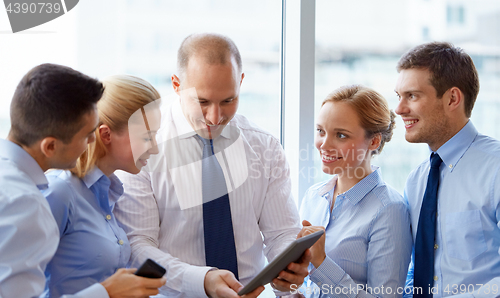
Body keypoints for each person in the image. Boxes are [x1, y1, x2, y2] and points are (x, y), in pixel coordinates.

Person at [113, 33, 310, 298]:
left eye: (228, 100)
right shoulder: (144, 148)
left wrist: (289, 270)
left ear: (240, 83)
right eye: (202, 101)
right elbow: (137, 245)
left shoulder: (265, 147)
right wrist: (202, 281)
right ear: (176, 85)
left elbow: (281, 233)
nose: (215, 117)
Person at [41, 75, 166, 298]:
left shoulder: (109, 195)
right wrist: (106, 293)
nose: (154, 148)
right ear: (106, 135)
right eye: (148, 137)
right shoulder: (59, 192)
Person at [394, 42, 500, 298]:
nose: (399, 109)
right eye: (399, 96)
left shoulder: (495, 169)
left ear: (452, 98)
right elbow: (418, 270)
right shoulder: (416, 181)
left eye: (413, 96)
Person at [296, 85, 412, 298]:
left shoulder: (389, 210)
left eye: (340, 135)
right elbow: (304, 284)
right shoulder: (313, 196)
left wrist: (321, 263)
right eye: (321, 131)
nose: (324, 145)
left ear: (374, 141)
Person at [0, 63, 102, 297]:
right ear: (50, 146)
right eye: (87, 135)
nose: (92, 142)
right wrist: (107, 293)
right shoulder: (24, 203)